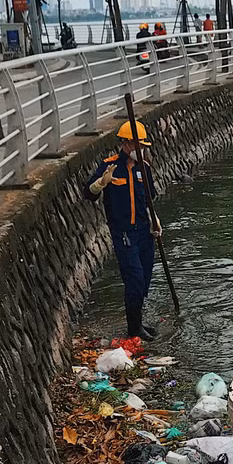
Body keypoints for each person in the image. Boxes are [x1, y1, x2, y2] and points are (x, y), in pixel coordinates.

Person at [84, 121, 163, 340]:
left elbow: (149, 201)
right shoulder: (110, 166)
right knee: (134, 279)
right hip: (124, 232)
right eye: (139, 145)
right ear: (127, 144)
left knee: (145, 278)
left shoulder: (144, 168)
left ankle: (137, 322)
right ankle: (133, 330)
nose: (143, 150)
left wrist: (155, 222)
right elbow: (88, 194)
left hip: (144, 232)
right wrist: (101, 182)